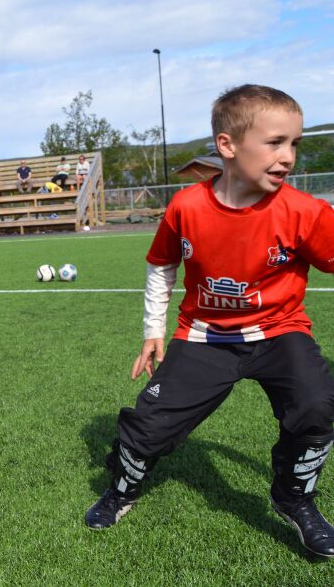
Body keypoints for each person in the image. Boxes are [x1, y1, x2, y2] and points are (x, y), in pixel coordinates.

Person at [84, 85, 334, 558]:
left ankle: (294, 500)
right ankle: (121, 490)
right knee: (147, 429)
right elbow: (161, 264)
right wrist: (153, 331)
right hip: (204, 337)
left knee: (316, 404)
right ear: (228, 146)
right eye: (275, 142)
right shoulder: (187, 206)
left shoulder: (308, 212)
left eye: (295, 144)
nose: (287, 157)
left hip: (279, 331)